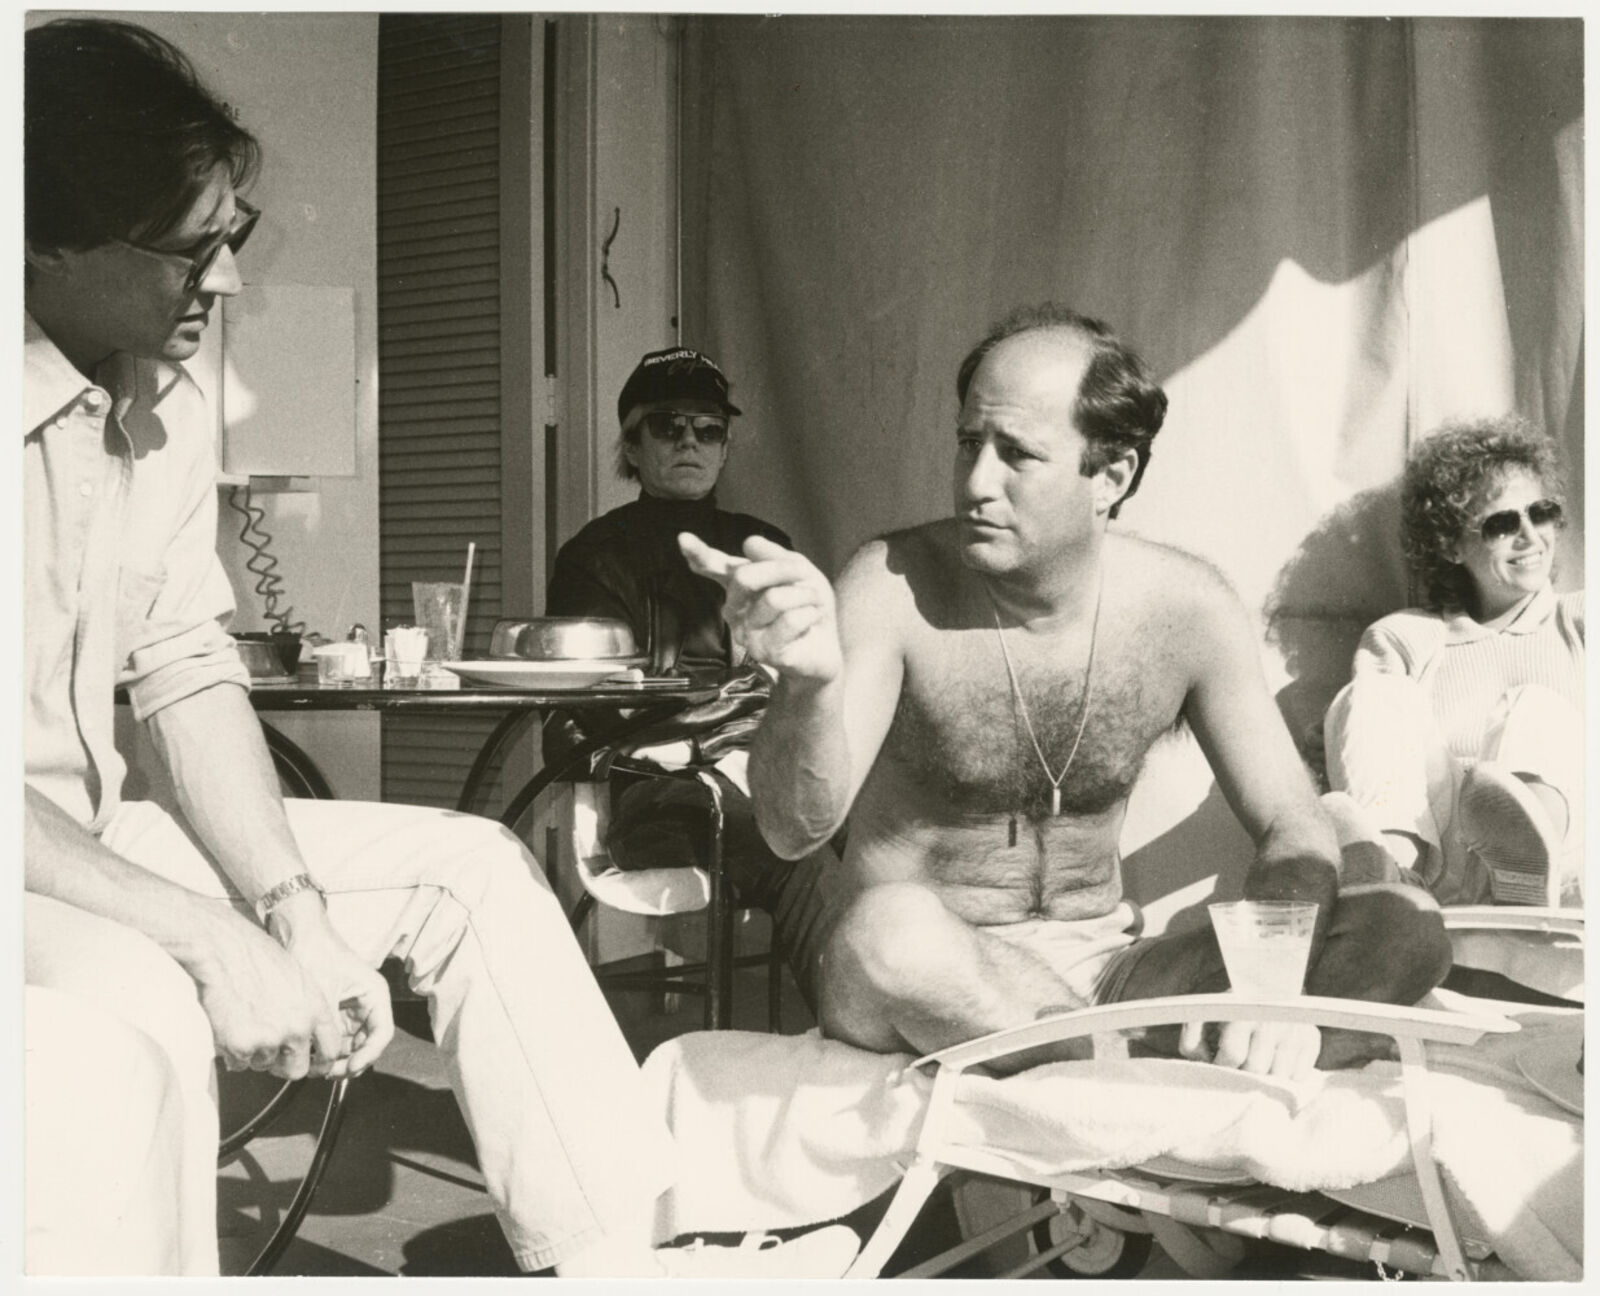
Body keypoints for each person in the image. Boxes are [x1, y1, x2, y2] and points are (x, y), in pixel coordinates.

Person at [22, 18, 854, 1279]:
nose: (229, 283)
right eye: (192, 250)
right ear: (42, 238)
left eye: (232, 236)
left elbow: (182, 667)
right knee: (138, 999)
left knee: (470, 872)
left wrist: (289, 910)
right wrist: (215, 937)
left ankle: (621, 1261)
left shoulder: (160, 400)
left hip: (82, 835)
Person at [682, 303, 1452, 1080]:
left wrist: (1272, 989)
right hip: (928, 969)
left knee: (1406, 928)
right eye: (966, 445)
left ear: (1111, 476)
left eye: (1017, 454)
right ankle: (1149, 1079)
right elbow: (790, 828)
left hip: (1108, 975)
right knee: (891, 933)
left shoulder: (1187, 608)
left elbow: (1293, 823)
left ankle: (1108, 1067)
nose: (976, 482)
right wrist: (807, 688)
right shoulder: (890, 585)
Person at [544, 346, 827, 992]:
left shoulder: (764, 545)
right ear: (633, 445)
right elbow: (591, 709)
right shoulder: (593, 557)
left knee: (873, 817)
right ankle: (855, 1022)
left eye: (708, 430)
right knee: (792, 835)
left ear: (725, 448)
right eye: (668, 427)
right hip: (653, 794)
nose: (690, 442)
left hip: (763, 765)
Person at [1323, 416, 1583, 908]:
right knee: (1373, 696)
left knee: (1534, 709)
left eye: (1541, 512)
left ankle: (1528, 877)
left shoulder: (1582, 621)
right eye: (1503, 523)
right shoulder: (1407, 638)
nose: (1530, 536)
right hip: (1449, 874)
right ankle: (1394, 882)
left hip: (1573, 869)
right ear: (1450, 544)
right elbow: (1371, 753)